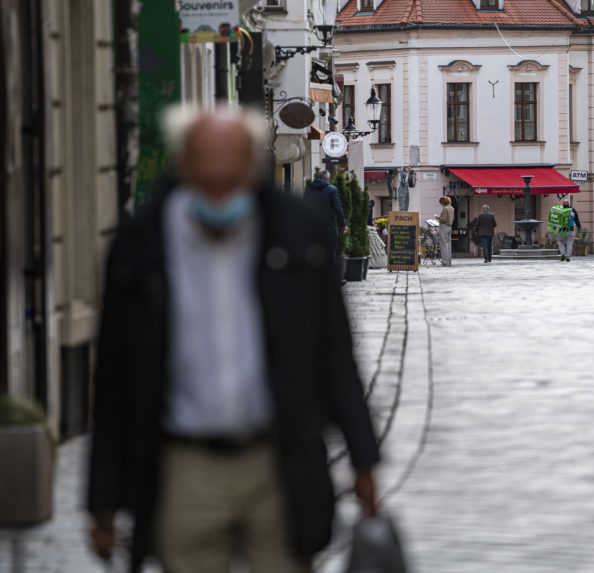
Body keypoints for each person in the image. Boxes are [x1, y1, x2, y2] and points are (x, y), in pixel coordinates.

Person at [87, 105, 380, 573]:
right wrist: (102, 498)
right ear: (184, 167)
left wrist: (363, 459)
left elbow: (334, 352)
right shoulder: (142, 244)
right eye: (208, 178)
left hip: (279, 459)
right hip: (184, 465)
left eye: (231, 178)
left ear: (251, 167)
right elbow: (115, 375)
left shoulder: (296, 233)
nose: (220, 194)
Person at [305, 169, 347, 266]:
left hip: (312, 227)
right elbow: (338, 208)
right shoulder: (332, 190)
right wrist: (343, 224)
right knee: (330, 252)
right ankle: (328, 278)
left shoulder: (309, 189)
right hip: (329, 227)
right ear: (327, 179)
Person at [437, 196, 455, 266]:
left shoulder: (445, 208)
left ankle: (444, 261)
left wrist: (438, 217)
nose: (441, 204)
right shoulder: (452, 208)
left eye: (441, 202)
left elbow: (443, 219)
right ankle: (449, 261)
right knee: (448, 244)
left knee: (443, 244)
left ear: (443, 202)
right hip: (449, 227)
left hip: (444, 226)